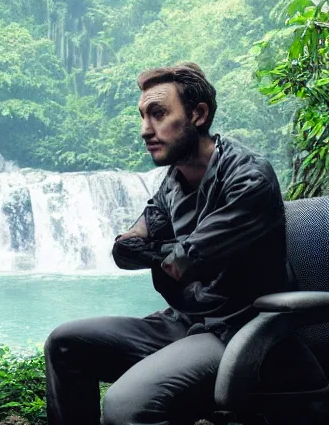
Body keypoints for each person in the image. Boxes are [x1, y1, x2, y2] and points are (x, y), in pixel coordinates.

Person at [44, 63, 289, 425]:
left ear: (199, 114)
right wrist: (166, 255)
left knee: (125, 404)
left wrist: (166, 254)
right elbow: (124, 251)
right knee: (65, 343)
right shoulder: (173, 181)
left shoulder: (248, 178)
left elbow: (183, 260)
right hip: (183, 321)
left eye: (158, 114)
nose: (146, 130)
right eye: (143, 116)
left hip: (238, 330)